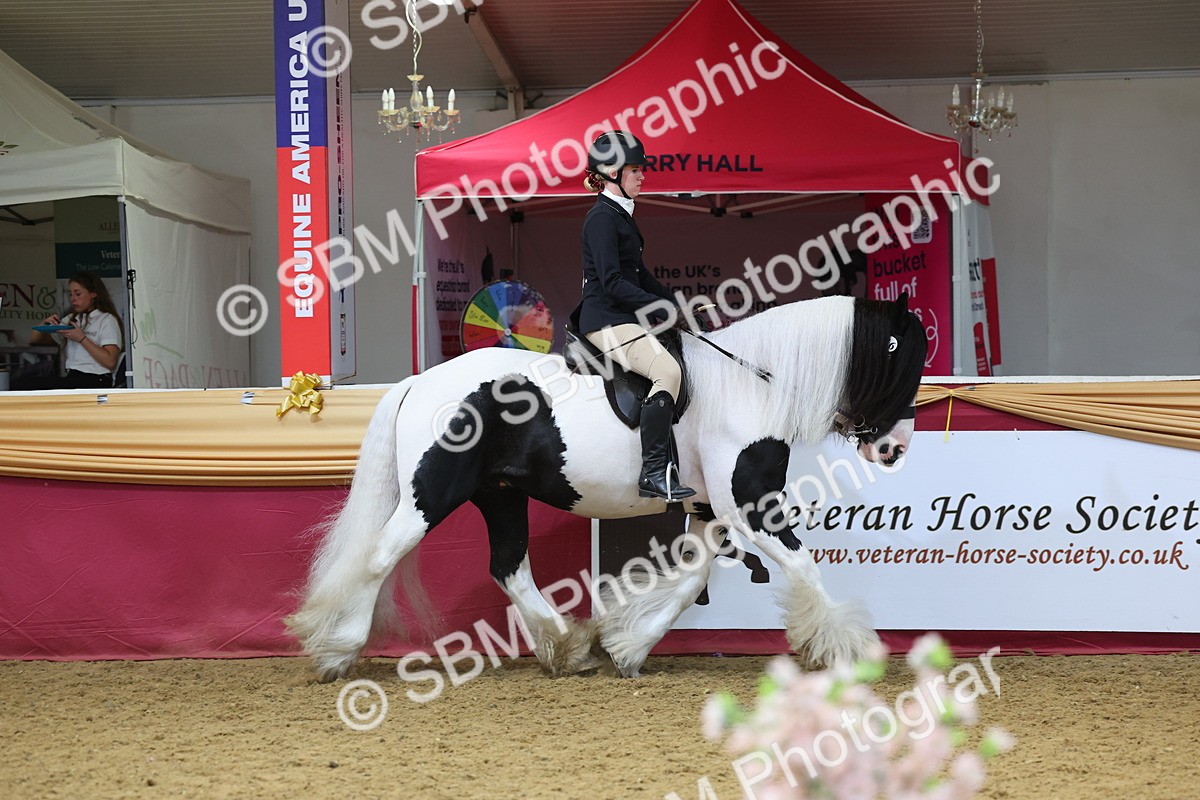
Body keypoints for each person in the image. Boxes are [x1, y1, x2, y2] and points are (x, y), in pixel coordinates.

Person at [570, 130, 696, 501]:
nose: (643, 176)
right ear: (612, 173)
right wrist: (659, 307)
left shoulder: (619, 215)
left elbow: (639, 275)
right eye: (636, 170)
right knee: (667, 372)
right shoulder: (602, 219)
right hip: (605, 320)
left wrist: (676, 304)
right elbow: (612, 283)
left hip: (622, 317)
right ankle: (654, 472)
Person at [26, 272, 123, 389]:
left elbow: (110, 362)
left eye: (78, 294)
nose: (73, 299)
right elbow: (35, 340)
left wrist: (81, 338)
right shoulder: (71, 318)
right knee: (27, 383)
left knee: (37, 385)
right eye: (70, 294)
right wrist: (44, 324)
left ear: (94, 293)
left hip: (96, 379)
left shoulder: (106, 319)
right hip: (73, 376)